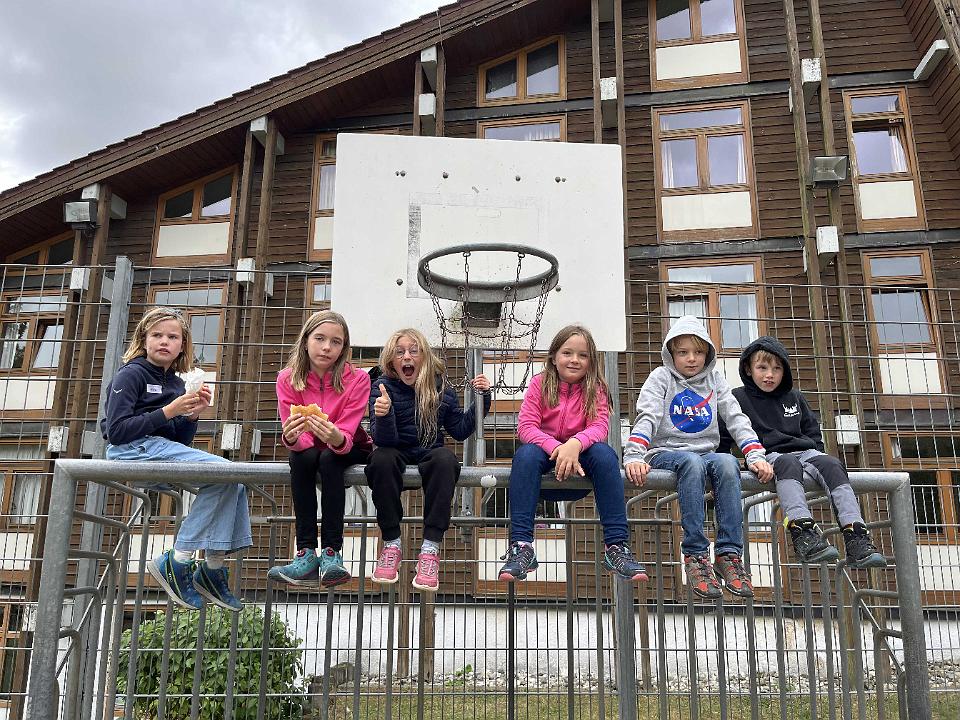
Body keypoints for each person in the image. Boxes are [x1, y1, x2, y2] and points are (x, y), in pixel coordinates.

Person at [102, 307, 250, 611]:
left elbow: (177, 442)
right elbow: (116, 432)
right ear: (143, 339)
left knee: (231, 481)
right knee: (225, 471)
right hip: (130, 450)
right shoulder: (131, 373)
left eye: (172, 337)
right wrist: (169, 411)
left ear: (183, 345)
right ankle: (179, 560)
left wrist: (192, 416)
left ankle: (212, 567)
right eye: (157, 335)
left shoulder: (176, 384)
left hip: (157, 450)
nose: (164, 341)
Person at [623, 316, 773, 599]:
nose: (691, 359)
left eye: (698, 352)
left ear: (708, 354)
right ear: (671, 353)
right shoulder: (661, 378)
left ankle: (729, 553)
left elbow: (736, 417)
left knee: (728, 462)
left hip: (706, 453)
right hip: (666, 452)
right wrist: (634, 455)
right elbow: (648, 416)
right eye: (683, 352)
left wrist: (754, 454)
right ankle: (695, 554)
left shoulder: (714, 380)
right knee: (691, 463)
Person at [497, 325, 648, 583]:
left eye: (583, 355)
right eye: (567, 353)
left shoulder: (596, 388)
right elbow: (526, 427)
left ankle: (616, 545)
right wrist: (557, 448)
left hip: (580, 460)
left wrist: (574, 444)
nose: (574, 360)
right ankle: (521, 545)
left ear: (591, 361)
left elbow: (599, 427)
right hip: (546, 460)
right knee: (525, 455)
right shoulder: (539, 384)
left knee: (605, 455)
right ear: (554, 357)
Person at [722, 336, 885, 568]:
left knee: (832, 464)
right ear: (748, 369)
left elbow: (812, 431)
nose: (769, 375)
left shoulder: (795, 397)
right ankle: (803, 533)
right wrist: (733, 462)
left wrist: (817, 459)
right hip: (768, 455)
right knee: (788, 463)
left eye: (777, 369)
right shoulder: (738, 398)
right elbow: (726, 433)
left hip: (806, 452)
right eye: (762, 368)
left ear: (785, 371)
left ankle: (856, 536)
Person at [365, 328, 490, 592]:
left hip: (429, 450)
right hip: (394, 449)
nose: (406, 356)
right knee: (380, 460)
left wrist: (482, 399)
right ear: (391, 361)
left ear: (424, 357)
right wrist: (384, 415)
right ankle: (391, 543)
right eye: (399, 352)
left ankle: (430, 549)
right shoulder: (381, 387)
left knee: (446, 459)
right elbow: (384, 440)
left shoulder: (441, 388)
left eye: (414, 351)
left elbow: (459, 429)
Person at [268, 311, 373, 588]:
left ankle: (331, 552)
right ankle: (305, 552)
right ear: (306, 341)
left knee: (329, 459)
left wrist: (335, 437)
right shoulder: (286, 379)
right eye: (320, 339)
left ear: (344, 347)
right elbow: (296, 435)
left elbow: (348, 433)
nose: (327, 347)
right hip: (310, 449)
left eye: (336, 342)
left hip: (350, 446)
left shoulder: (358, 379)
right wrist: (292, 437)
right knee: (301, 457)